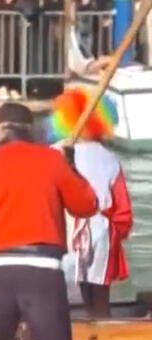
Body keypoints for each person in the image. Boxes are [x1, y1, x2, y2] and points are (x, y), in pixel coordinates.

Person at [0, 103, 98, 340]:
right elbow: (87, 205)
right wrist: (70, 166)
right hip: (41, 270)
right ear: (33, 132)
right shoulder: (51, 161)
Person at [47, 89, 133, 319]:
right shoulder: (110, 158)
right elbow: (121, 209)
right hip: (100, 233)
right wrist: (118, 234)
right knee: (99, 297)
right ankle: (102, 327)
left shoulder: (52, 153)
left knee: (56, 293)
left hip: (63, 230)